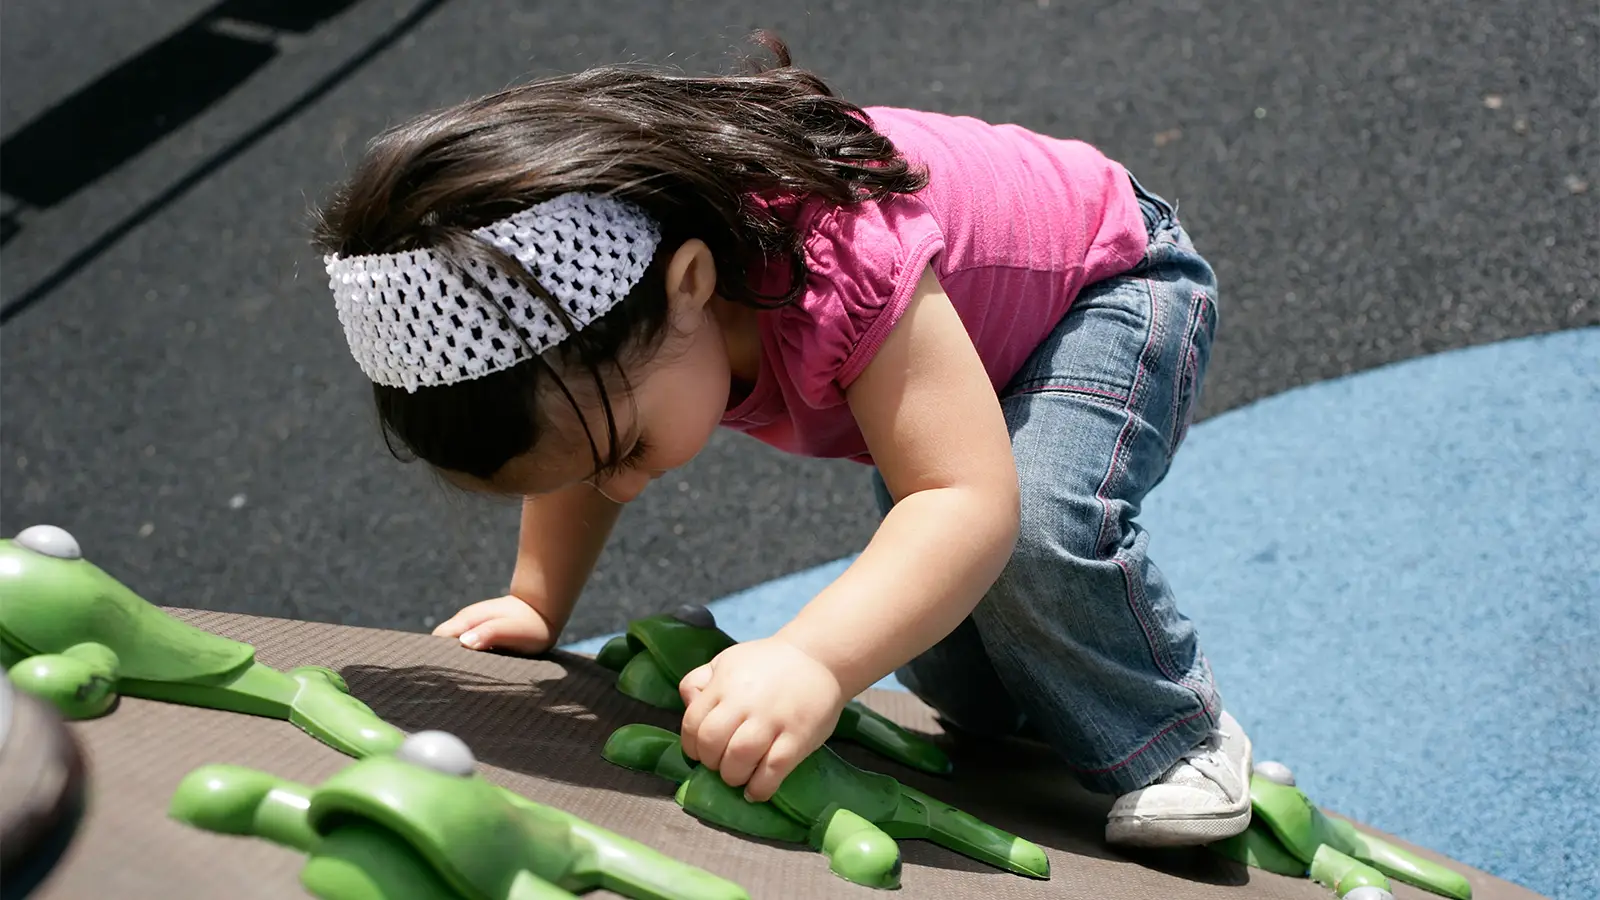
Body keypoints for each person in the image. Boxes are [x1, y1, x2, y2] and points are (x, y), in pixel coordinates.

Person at [313, 33, 1250, 847]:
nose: (621, 486)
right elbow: (574, 458)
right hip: (964, 349)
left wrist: (812, 659)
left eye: (624, 451)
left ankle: (1180, 737)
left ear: (688, 284)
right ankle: (1057, 699)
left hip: (1104, 284)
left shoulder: (837, 263)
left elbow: (965, 499)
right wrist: (537, 600)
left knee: (1030, 523)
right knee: (968, 684)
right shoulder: (625, 332)